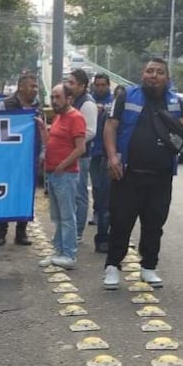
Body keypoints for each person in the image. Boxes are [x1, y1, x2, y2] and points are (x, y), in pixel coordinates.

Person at [101, 58, 183, 290]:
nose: (153, 75)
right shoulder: (126, 95)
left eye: (159, 72)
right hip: (128, 174)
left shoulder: (175, 102)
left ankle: (149, 267)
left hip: (161, 176)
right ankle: (112, 267)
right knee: (120, 222)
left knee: (155, 224)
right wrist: (113, 156)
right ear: (142, 74)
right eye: (149, 71)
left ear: (167, 78)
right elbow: (110, 127)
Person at [36, 83, 86, 270]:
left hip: (65, 174)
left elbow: (80, 148)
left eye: (58, 97)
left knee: (67, 216)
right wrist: (43, 129)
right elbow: (50, 142)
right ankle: (58, 251)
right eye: (53, 97)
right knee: (57, 216)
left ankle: (69, 254)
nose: (54, 101)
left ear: (69, 99)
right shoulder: (59, 117)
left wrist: (62, 165)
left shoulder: (75, 118)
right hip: (54, 173)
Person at [0, 73, 42, 246]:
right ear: (21, 87)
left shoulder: (38, 107)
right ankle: (1, 232)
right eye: (31, 86)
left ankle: (21, 232)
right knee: (5, 194)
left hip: (28, 160)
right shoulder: (5, 105)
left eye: (36, 87)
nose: (35, 90)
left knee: (25, 195)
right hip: (7, 159)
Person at [65, 68, 97, 241]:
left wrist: (71, 140)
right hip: (70, 154)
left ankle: (77, 231)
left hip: (81, 156)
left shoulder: (87, 104)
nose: (68, 86)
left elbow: (90, 131)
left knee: (79, 194)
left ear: (82, 86)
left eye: (72, 83)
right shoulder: (73, 101)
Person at [88, 73, 114, 253]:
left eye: (103, 85)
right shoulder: (89, 102)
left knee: (105, 191)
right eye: (97, 85)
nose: (100, 88)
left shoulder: (114, 102)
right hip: (92, 151)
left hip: (106, 153)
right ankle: (97, 209)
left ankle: (106, 233)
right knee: (96, 186)